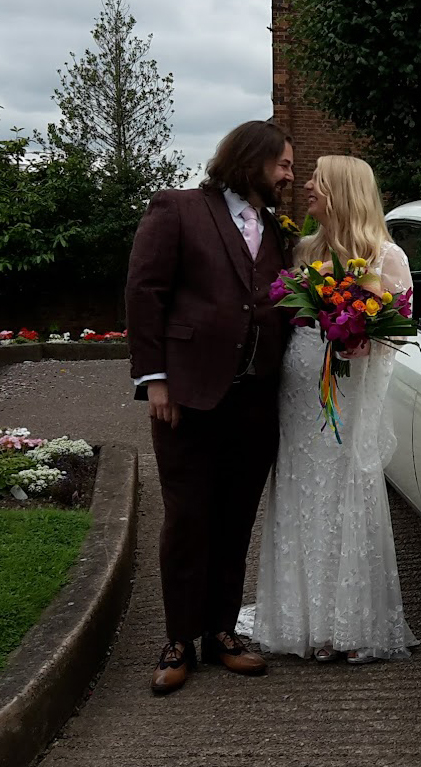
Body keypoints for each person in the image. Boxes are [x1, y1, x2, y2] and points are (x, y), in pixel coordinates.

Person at [125, 120, 297, 694]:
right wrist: (155, 382)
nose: (290, 175)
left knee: (235, 517)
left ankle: (221, 631)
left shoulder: (276, 228)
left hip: (255, 398)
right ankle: (178, 640)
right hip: (187, 396)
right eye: (284, 165)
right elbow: (144, 293)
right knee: (187, 517)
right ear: (252, 161)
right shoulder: (177, 209)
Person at [251, 155, 418, 664]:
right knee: (303, 491)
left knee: (344, 489)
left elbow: (399, 332)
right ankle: (301, 619)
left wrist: (364, 339)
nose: (307, 188)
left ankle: (347, 623)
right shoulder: (304, 250)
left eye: (317, 182)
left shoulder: (386, 257)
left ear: (343, 192)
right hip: (299, 394)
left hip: (346, 396)